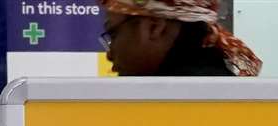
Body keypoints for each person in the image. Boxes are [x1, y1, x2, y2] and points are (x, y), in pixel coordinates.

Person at [101, 0, 263, 77]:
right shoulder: (221, 92)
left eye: (113, 34)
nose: (109, 54)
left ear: (155, 27)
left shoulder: (164, 107)